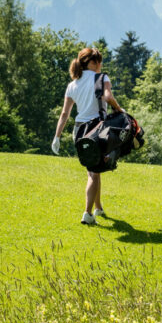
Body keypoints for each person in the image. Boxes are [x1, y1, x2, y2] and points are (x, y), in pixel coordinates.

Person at [51, 47, 125, 225]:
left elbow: (64, 114)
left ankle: (98, 207)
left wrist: (57, 137)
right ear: (94, 62)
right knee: (94, 172)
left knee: (94, 169)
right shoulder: (101, 78)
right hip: (97, 129)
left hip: (78, 131)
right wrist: (119, 109)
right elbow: (107, 97)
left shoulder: (72, 84)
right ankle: (87, 213)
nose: (100, 65)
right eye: (99, 62)